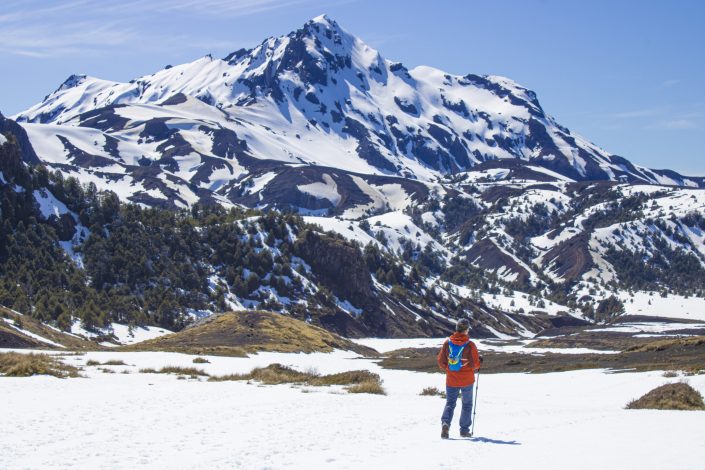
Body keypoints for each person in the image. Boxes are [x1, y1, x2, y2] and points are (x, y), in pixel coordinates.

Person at [437, 318, 481, 439]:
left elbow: (441, 361)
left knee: (450, 403)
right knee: (467, 405)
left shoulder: (447, 343)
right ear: (466, 330)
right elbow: (475, 364)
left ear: (456, 329)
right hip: (467, 380)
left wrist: (449, 369)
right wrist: (479, 363)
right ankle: (464, 431)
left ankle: (445, 424)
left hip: (451, 379)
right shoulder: (470, 345)